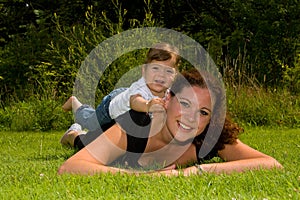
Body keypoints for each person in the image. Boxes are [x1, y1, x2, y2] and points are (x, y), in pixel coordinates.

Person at [58, 69, 283, 176]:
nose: (191, 119)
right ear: (167, 99)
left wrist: (195, 172)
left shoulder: (206, 137)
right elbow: (69, 168)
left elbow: (272, 164)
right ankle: (73, 132)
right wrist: (143, 178)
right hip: (109, 133)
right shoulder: (135, 125)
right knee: (84, 142)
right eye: (185, 104)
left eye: (203, 112)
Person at [61, 43, 180, 144]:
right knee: (91, 122)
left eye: (168, 71)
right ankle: (75, 104)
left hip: (124, 114)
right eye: (155, 68)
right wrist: (148, 105)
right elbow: (135, 101)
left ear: (175, 75)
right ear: (144, 70)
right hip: (111, 106)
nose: (161, 75)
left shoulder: (169, 93)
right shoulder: (140, 87)